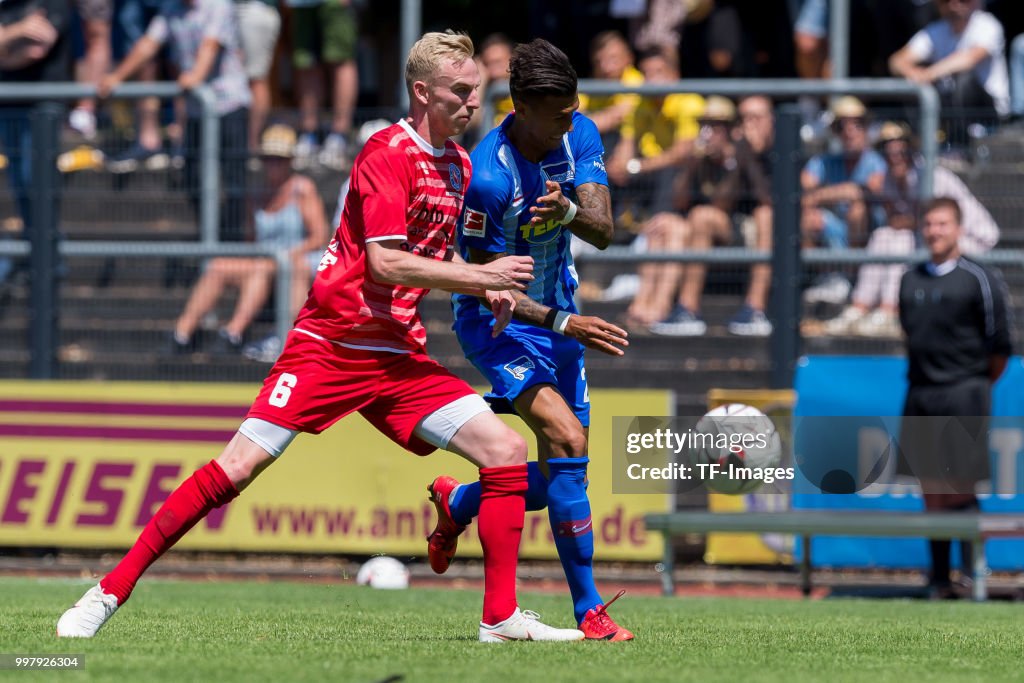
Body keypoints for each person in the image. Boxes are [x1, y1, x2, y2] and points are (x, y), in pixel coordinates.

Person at [57, 30, 584, 644]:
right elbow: (385, 263)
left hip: (397, 357)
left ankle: (499, 618)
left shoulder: (460, 165)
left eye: (477, 93)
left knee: (506, 452)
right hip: (330, 345)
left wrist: (487, 289)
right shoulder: (385, 151)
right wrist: (479, 275)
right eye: (460, 93)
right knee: (236, 468)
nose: (472, 105)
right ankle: (107, 591)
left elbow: (437, 264)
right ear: (422, 93)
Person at [424, 38, 634, 642]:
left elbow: (604, 232)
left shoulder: (580, 133)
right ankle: (589, 611)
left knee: (568, 468)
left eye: (574, 109)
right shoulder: (487, 178)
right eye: (559, 113)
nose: (571, 121)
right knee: (567, 438)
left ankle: (460, 502)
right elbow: (491, 286)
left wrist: (566, 211)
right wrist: (564, 323)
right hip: (498, 325)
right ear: (520, 106)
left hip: (560, 316)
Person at [897, 196, 1012, 599]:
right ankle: (940, 578)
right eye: (928, 224)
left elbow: (1001, 346)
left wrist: (972, 385)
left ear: (958, 228)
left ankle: (972, 573)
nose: (934, 231)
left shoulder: (979, 278)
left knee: (959, 486)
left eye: (942, 224)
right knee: (931, 489)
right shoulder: (910, 279)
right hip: (921, 394)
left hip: (965, 392)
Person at [824, 122, 999, 338]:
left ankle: (891, 311)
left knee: (900, 239)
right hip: (931, 240)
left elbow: (931, 223)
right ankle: (859, 307)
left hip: (973, 240)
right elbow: (898, 220)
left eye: (900, 151)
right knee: (884, 235)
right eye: (888, 152)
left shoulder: (931, 177)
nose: (895, 157)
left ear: (911, 151)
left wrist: (905, 223)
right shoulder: (889, 177)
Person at [99, 0, 252, 242]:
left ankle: (231, 243)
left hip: (229, 106)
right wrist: (116, 77)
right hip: (196, 111)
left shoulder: (219, 5)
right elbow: (148, 44)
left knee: (234, 183)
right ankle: (210, 238)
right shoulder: (170, 9)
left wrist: (195, 77)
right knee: (191, 176)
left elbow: (210, 46)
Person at [169, 124, 329, 355]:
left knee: (268, 267)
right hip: (264, 260)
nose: (273, 164)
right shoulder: (255, 193)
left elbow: (319, 237)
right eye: (269, 158)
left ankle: (235, 332)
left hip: (298, 258)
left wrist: (286, 255)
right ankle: (181, 334)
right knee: (218, 266)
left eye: (279, 159)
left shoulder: (302, 188)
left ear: (290, 160)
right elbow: (251, 240)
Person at [640, 96, 774, 337]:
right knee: (671, 222)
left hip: (745, 227)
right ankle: (670, 309)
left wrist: (740, 157)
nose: (709, 132)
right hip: (707, 228)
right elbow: (678, 201)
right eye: (705, 125)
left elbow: (759, 198)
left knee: (704, 216)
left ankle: (750, 309)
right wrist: (691, 165)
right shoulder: (701, 158)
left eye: (716, 126)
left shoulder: (749, 153)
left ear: (731, 130)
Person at [0, 0, 71, 286]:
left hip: (43, 111)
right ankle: (35, 254)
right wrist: (19, 30)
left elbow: (36, 50)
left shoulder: (54, 3)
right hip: (9, 108)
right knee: (20, 184)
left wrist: (6, 40)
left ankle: (48, 260)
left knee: (36, 182)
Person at [889, 0, 1009, 124]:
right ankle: (920, 137)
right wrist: (914, 74)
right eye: (945, 1)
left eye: (963, 0)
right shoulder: (935, 30)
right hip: (948, 108)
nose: (953, 5)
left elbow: (969, 60)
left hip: (987, 110)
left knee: (964, 80)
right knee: (914, 86)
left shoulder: (987, 24)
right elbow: (896, 61)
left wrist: (928, 74)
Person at [287, 0, 358, 171]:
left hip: (334, 4)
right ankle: (308, 135)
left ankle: (339, 136)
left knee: (340, 61)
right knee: (306, 64)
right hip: (301, 4)